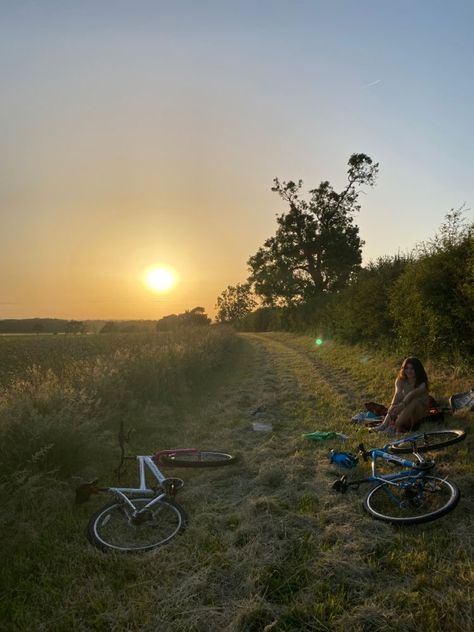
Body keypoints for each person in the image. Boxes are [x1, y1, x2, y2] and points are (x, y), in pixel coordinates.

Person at [375, 357, 430, 433]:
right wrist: (393, 407)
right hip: (406, 412)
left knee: (415, 402)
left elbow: (411, 395)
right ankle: (384, 425)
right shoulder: (400, 380)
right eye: (406, 368)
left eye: (412, 369)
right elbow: (398, 394)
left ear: (417, 370)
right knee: (395, 402)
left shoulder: (422, 384)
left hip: (419, 414)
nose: (409, 371)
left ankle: (396, 425)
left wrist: (402, 405)